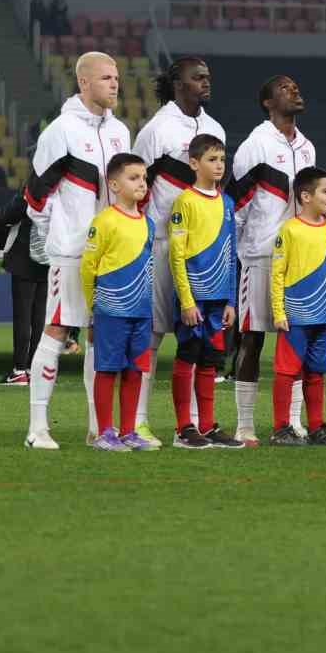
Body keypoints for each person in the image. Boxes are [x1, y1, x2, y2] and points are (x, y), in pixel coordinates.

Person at [25, 51, 131, 451]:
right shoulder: (61, 131)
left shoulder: (121, 132)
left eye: (116, 77)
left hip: (112, 256)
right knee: (55, 330)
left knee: (97, 338)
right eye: (106, 78)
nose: (114, 84)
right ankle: (37, 428)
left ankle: (96, 428)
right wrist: (62, 237)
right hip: (71, 253)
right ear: (84, 82)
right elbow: (36, 196)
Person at [133, 56, 226, 443]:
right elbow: (137, 185)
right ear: (177, 83)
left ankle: (193, 426)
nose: (206, 82)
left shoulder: (214, 127)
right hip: (160, 245)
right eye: (197, 77)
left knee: (200, 340)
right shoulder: (157, 130)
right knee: (152, 336)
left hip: (203, 254)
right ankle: (137, 420)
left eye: (208, 76)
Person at [230, 75, 318, 444]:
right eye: (284, 88)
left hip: (299, 259)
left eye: (297, 86)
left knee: (295, 339)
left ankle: (293, 422)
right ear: (267, 102)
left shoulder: (308, 147)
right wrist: (242, 253)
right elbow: (238, 207)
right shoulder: (255, 146)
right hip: (261, 255)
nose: (295, 91)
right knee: (252, 338)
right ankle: (245, 424)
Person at [165, 134, 240, 449]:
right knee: (188, 356)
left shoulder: (227, 202)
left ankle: (207, 426)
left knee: (211, 360)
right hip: (194, 300)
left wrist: (232, 301)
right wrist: (186, 299)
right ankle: (183, 428)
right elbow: (176, 253)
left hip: (218, 301)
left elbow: (231, 250)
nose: (219, 165)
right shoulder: (185, 201)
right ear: (194, 163)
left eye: (222, 159)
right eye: (212, 159)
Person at [269, 167, 326, 446]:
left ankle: (317, 428)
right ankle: (281, 428)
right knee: (287, 371)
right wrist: (279, 312)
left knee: (316, 372)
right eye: (325, 191)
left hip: (322, 317)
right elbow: (277, 272)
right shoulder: (289, 230)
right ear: (305, 196)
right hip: (295, 316)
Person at [79, 154, 154, 451]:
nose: (141, 183)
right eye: (133, 178)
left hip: (141, 311)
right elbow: (88, 268)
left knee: (135, 370)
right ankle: (104, 433)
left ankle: (128, 431)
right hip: (111, 309)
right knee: (108, 369)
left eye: (144, 178)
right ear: (113, 184)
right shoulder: (104, 221)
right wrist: (93, 309)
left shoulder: (148, 222)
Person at [0, 188, 48, 385]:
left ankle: (19, 370)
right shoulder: (61, 188)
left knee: (23, 316)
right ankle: (34, 369)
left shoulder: (36, 186)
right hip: (48, 256)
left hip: (25, 256)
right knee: (39, 317)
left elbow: (12, 210)